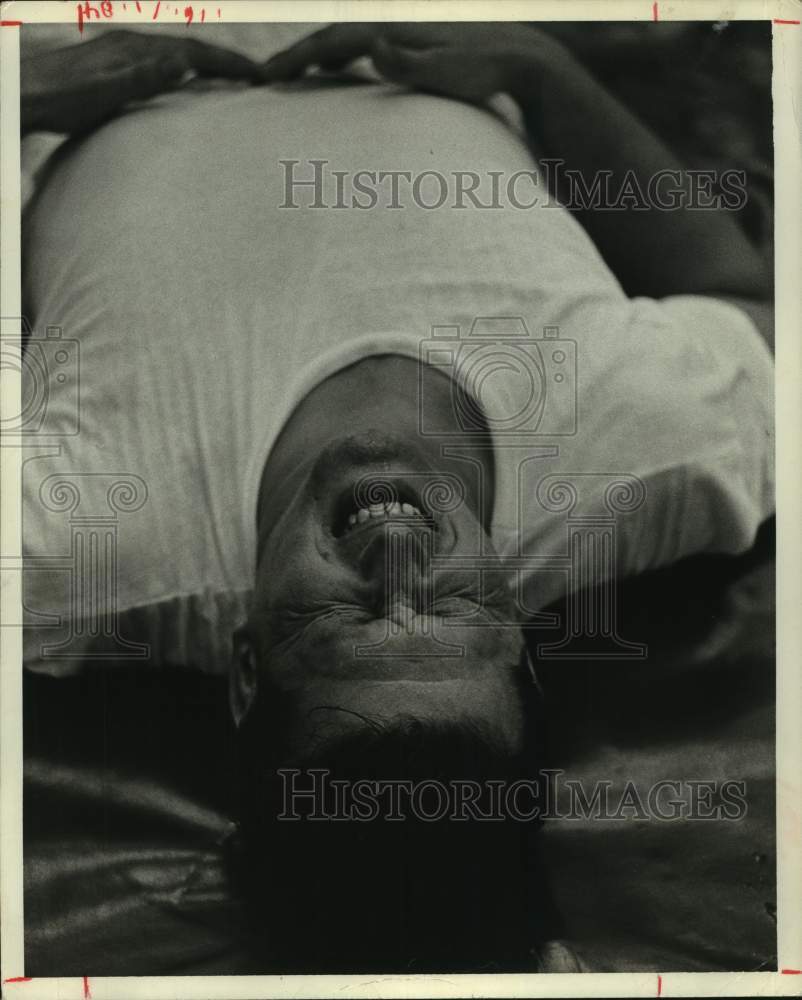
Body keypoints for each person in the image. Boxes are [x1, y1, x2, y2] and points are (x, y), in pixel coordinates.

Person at [20, 22, 773, 972]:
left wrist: (26, 91)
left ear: (248, 670)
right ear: (519, 641)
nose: (400, 559)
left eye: (351, 616)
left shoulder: (79, 542)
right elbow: (745, 298)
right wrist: (539, 70)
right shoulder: (655, 460)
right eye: (454, 605)